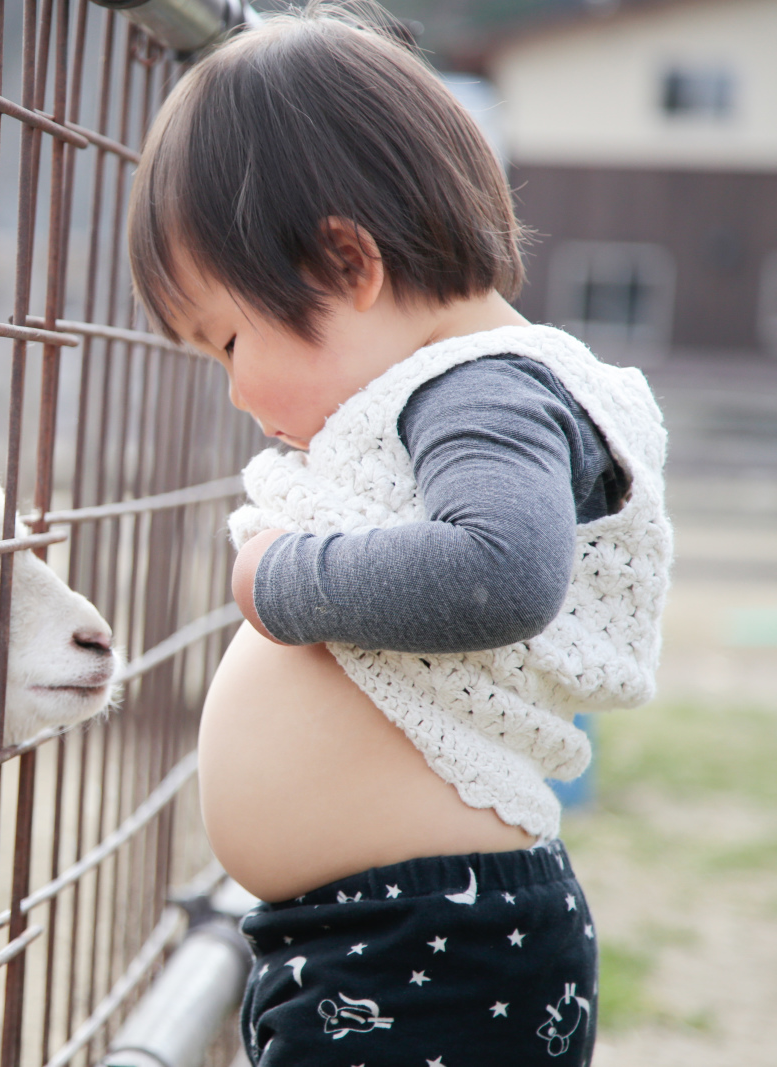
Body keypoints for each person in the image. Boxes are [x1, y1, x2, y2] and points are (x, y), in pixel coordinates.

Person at [126, 7, 672, 1066]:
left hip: (431, 937)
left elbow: (497, 572)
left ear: (344, 262)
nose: (235, 386)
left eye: (229, 337)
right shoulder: (455, 391)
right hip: (389, 932)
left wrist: (278, 581)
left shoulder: (483, 393)